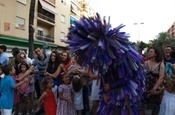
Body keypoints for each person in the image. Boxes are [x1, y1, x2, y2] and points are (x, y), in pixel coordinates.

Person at [141, 47, 164, 115]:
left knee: (154, 110)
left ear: (155, 54)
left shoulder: (160, 64)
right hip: (145, 88)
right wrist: (142, 85)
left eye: (151, 51)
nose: (149, 53)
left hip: (156, 90)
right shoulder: (145, 63)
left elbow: (161, 77)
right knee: (142, 109)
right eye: (149, 51)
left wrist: (154, 88)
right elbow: (142, 75)